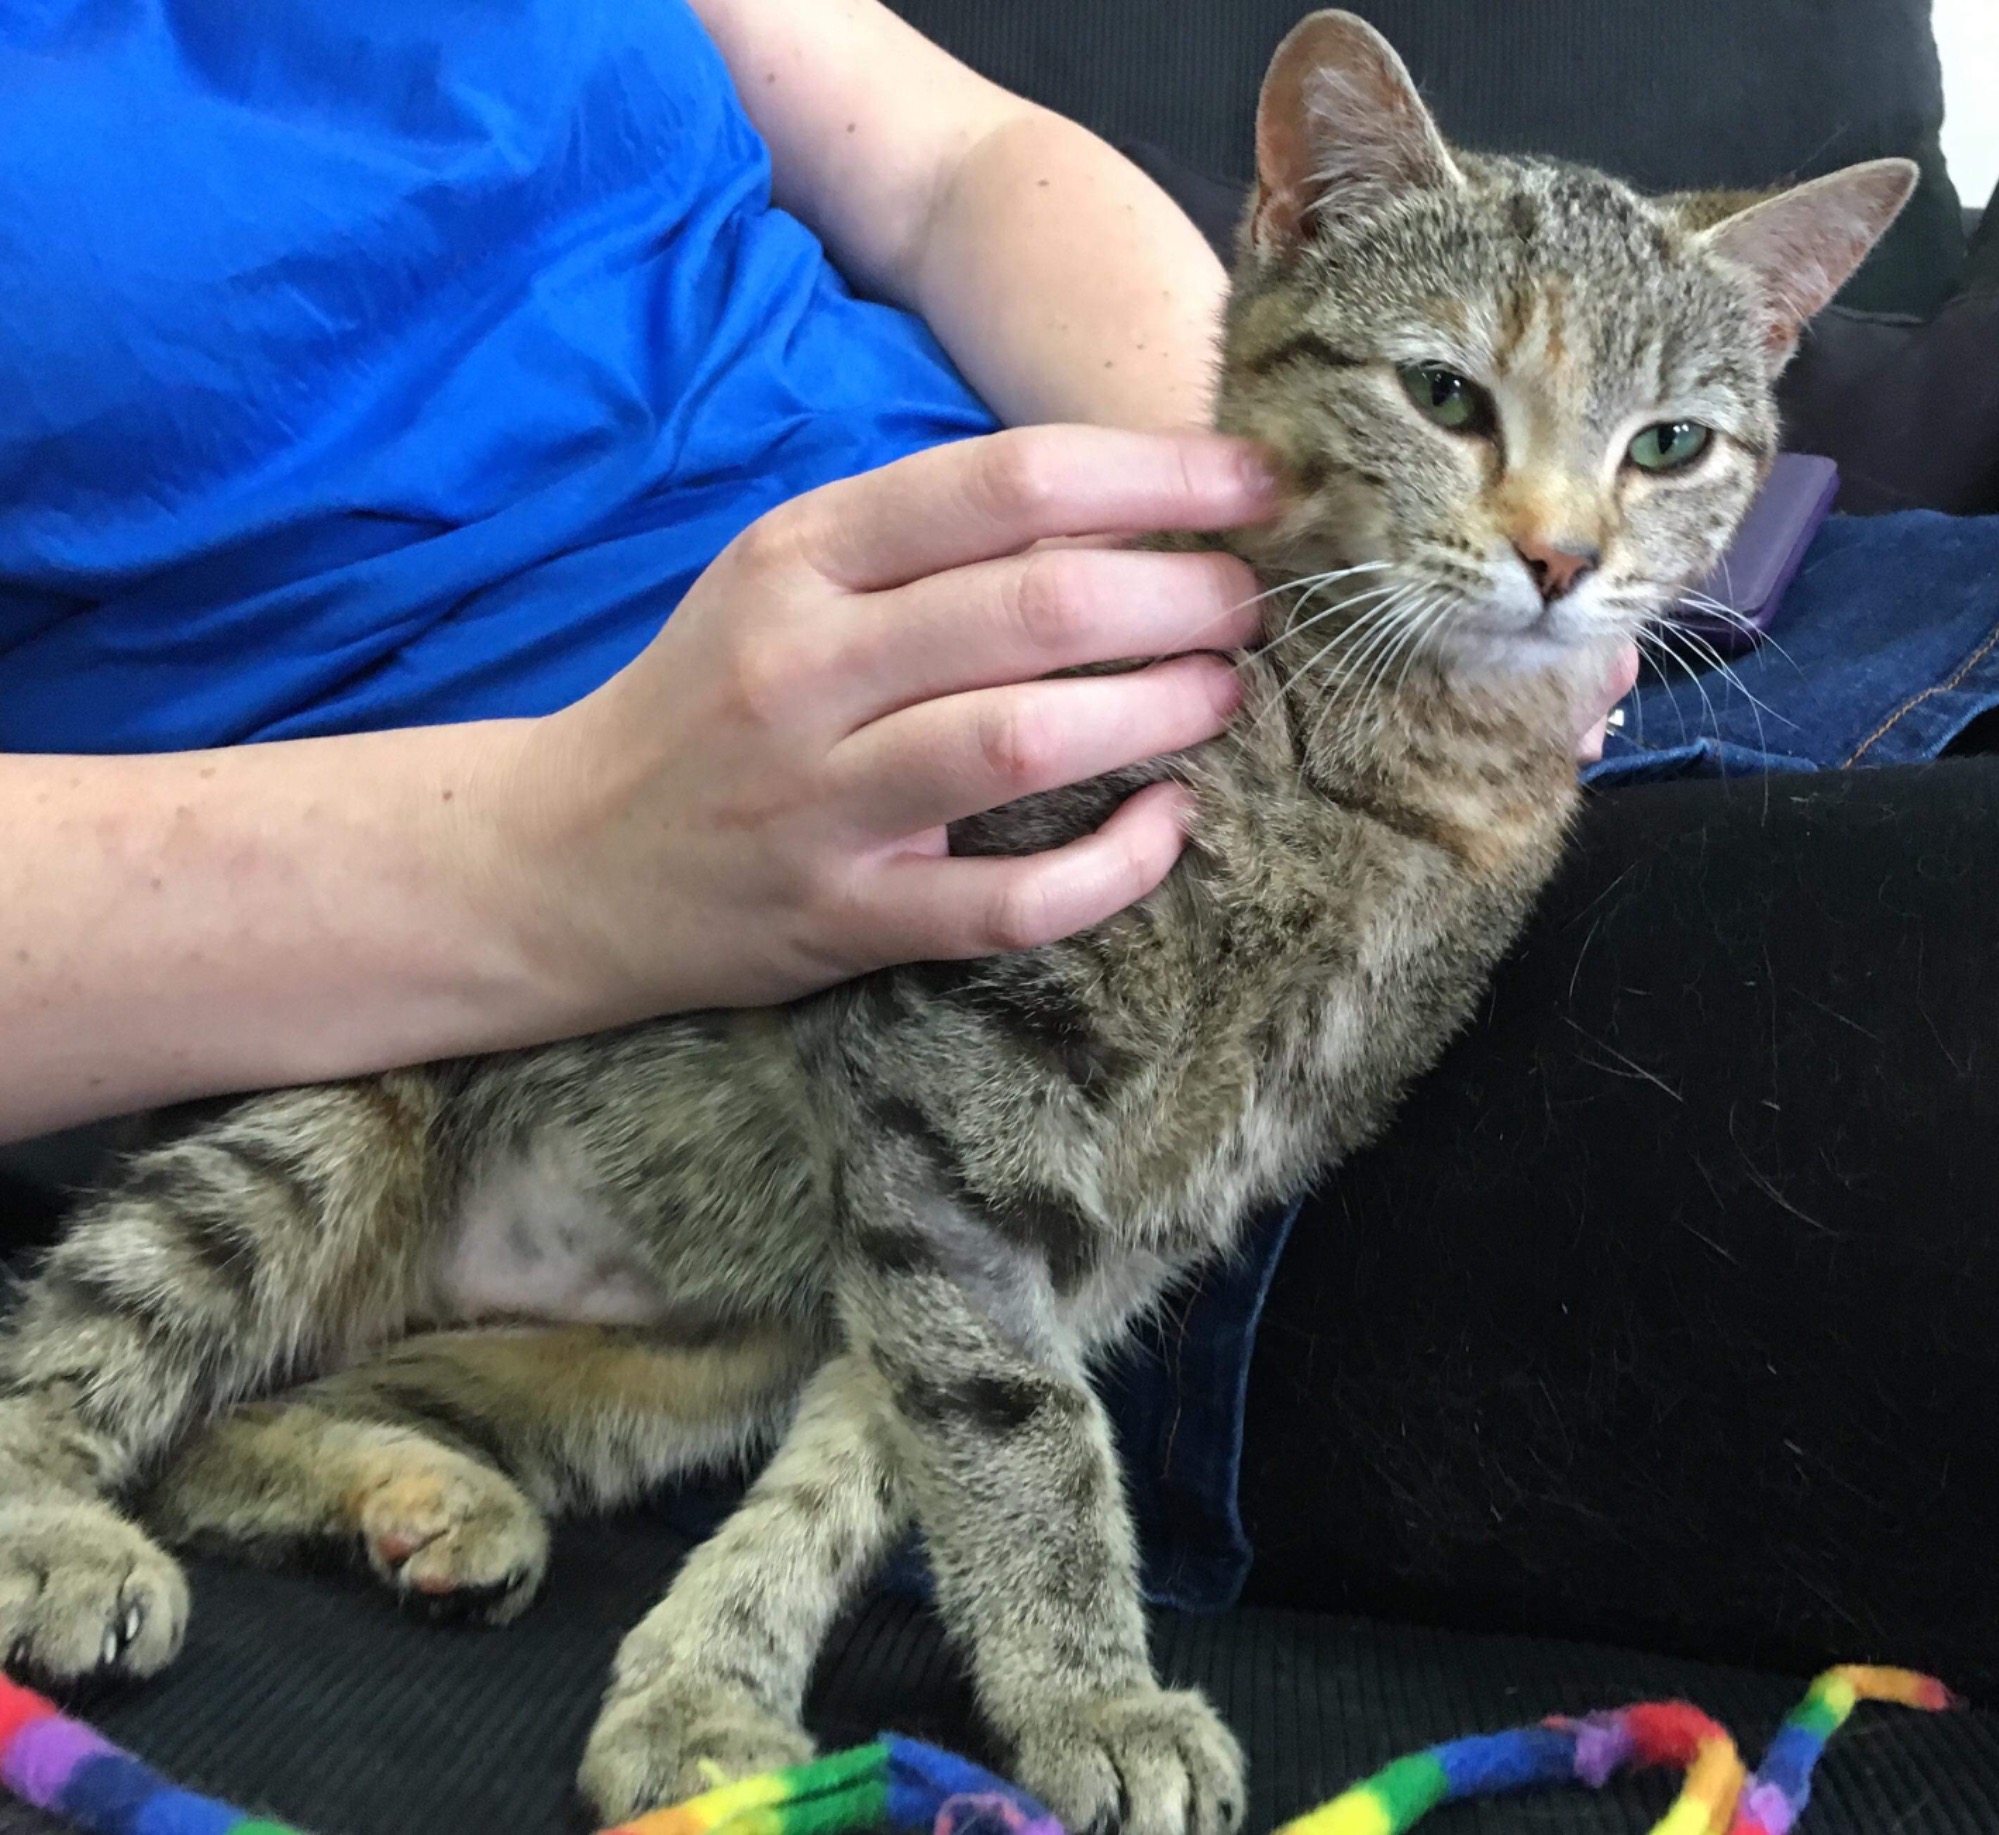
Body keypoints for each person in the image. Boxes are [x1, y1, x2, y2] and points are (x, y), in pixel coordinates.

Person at [4, 0, 1994, 1705]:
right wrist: (557, 854)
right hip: (733, 946)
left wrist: (1261, 528)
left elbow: (955, 165)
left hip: (1398, 625)